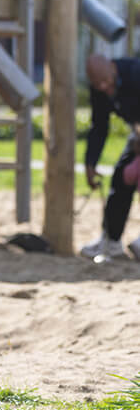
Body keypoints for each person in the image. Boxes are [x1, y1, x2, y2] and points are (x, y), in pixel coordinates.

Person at [81, 54, 140, 260]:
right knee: (121, 176)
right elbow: (99, 127)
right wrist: (90, 162)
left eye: (106, 81)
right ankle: (111, 241)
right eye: (98, 84)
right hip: (138, 134)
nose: (104, 87)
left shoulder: (135, 73)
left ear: (112, 68)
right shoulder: (99, 90)